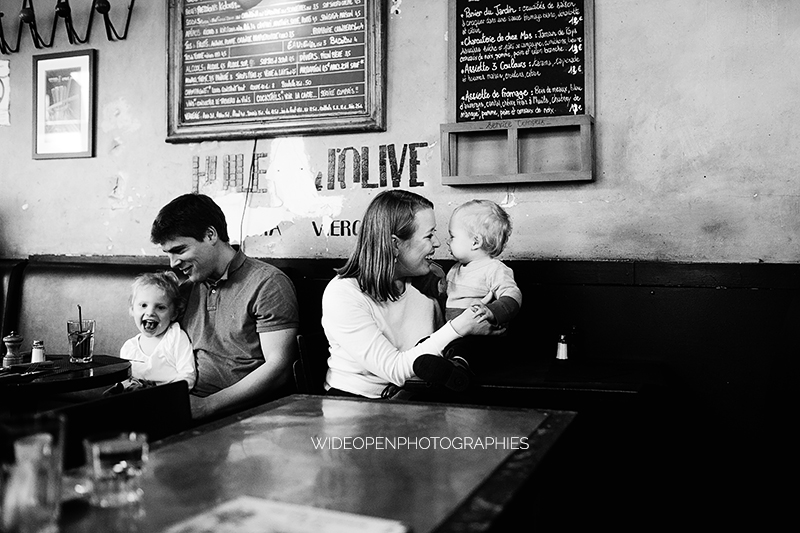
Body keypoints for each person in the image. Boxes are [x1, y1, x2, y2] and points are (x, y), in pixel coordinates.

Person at [321, 189, 501, 399]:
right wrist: (462, 326)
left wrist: (485, 322)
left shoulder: (432, 279)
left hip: (416, 398)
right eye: (428, 235)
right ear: (395, 244)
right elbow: (395, 369)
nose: (437, 243)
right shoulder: (343, 294)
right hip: (355, 406)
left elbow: (441, 346)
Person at [150, 194, 299, 420]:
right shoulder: (184, 290)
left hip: (247, 415)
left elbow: (279, 369)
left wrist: (207, 406)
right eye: (168, 254)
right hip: (186, 401)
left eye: (179, 250)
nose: (173, 264)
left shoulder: (268, 283)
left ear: (210, 235)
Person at [442, 199, 522, 372]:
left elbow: (513, 295)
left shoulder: (494, 268)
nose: (448, 241)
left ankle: (457, 369)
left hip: (480, 337)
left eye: (452, 236)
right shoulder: (455, 269)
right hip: (453, 332)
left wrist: (492, 311)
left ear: (475, 242)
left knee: (466, 348)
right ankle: (438, 365)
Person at [119, 271, 196, 390]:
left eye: (160, 307)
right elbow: (124, 380)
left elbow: (187, 376)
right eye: (143, 305)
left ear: (174, 314)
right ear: (132, 310)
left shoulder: (175, 337)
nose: (150, 312)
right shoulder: (129, 348)